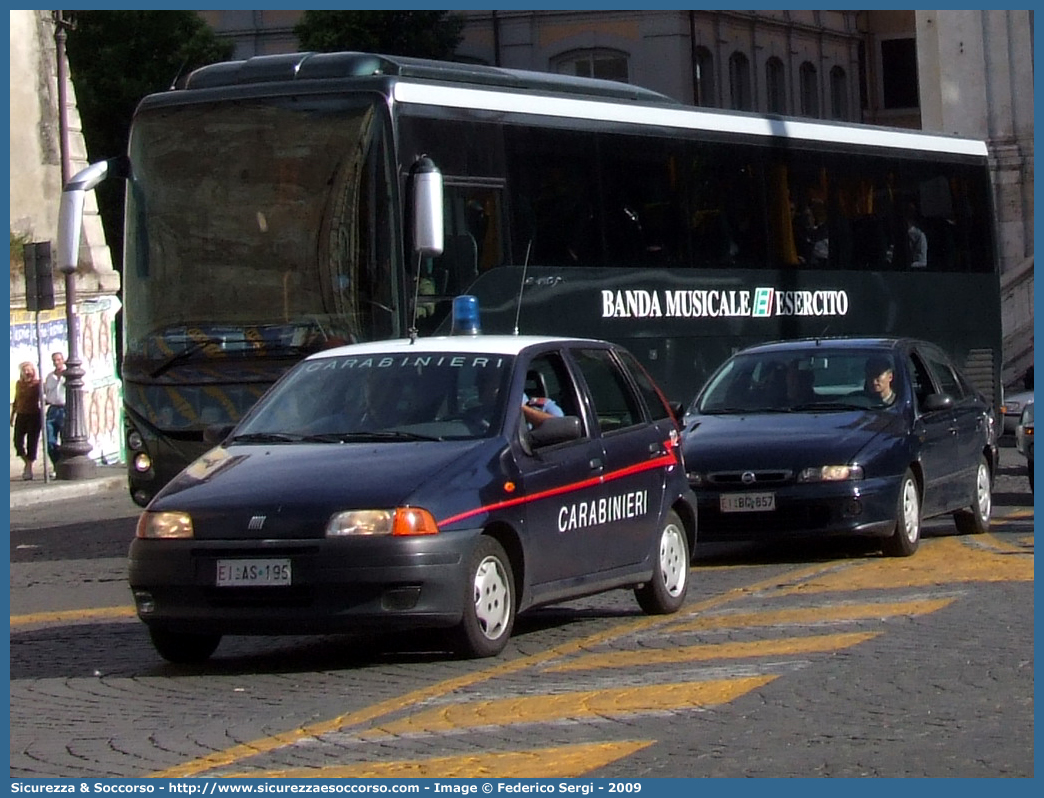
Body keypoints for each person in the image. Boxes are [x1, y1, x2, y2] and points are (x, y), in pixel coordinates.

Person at [11, 361, 42, 480]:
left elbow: (44, 397)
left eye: (29, 370)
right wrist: (12, 415)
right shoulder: (19, 384)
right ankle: (26, 462)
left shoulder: (37, 384)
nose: (27, 372)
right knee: (17, 442)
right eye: (25, 370)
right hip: (21, 414)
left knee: (31, 442)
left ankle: (28, 467)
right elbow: (16, 399)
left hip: (34, 415)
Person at [42, 351, 66, 469]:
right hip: (53, 409)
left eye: (58, 360)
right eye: (54, 360)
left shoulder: (68, 375)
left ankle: (63, 465)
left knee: (65, 439)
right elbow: (47, 393)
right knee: (50, 440)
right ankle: (57, 464)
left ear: (63, 360)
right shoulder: (50, 376)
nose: (56, 362)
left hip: (65, 409)